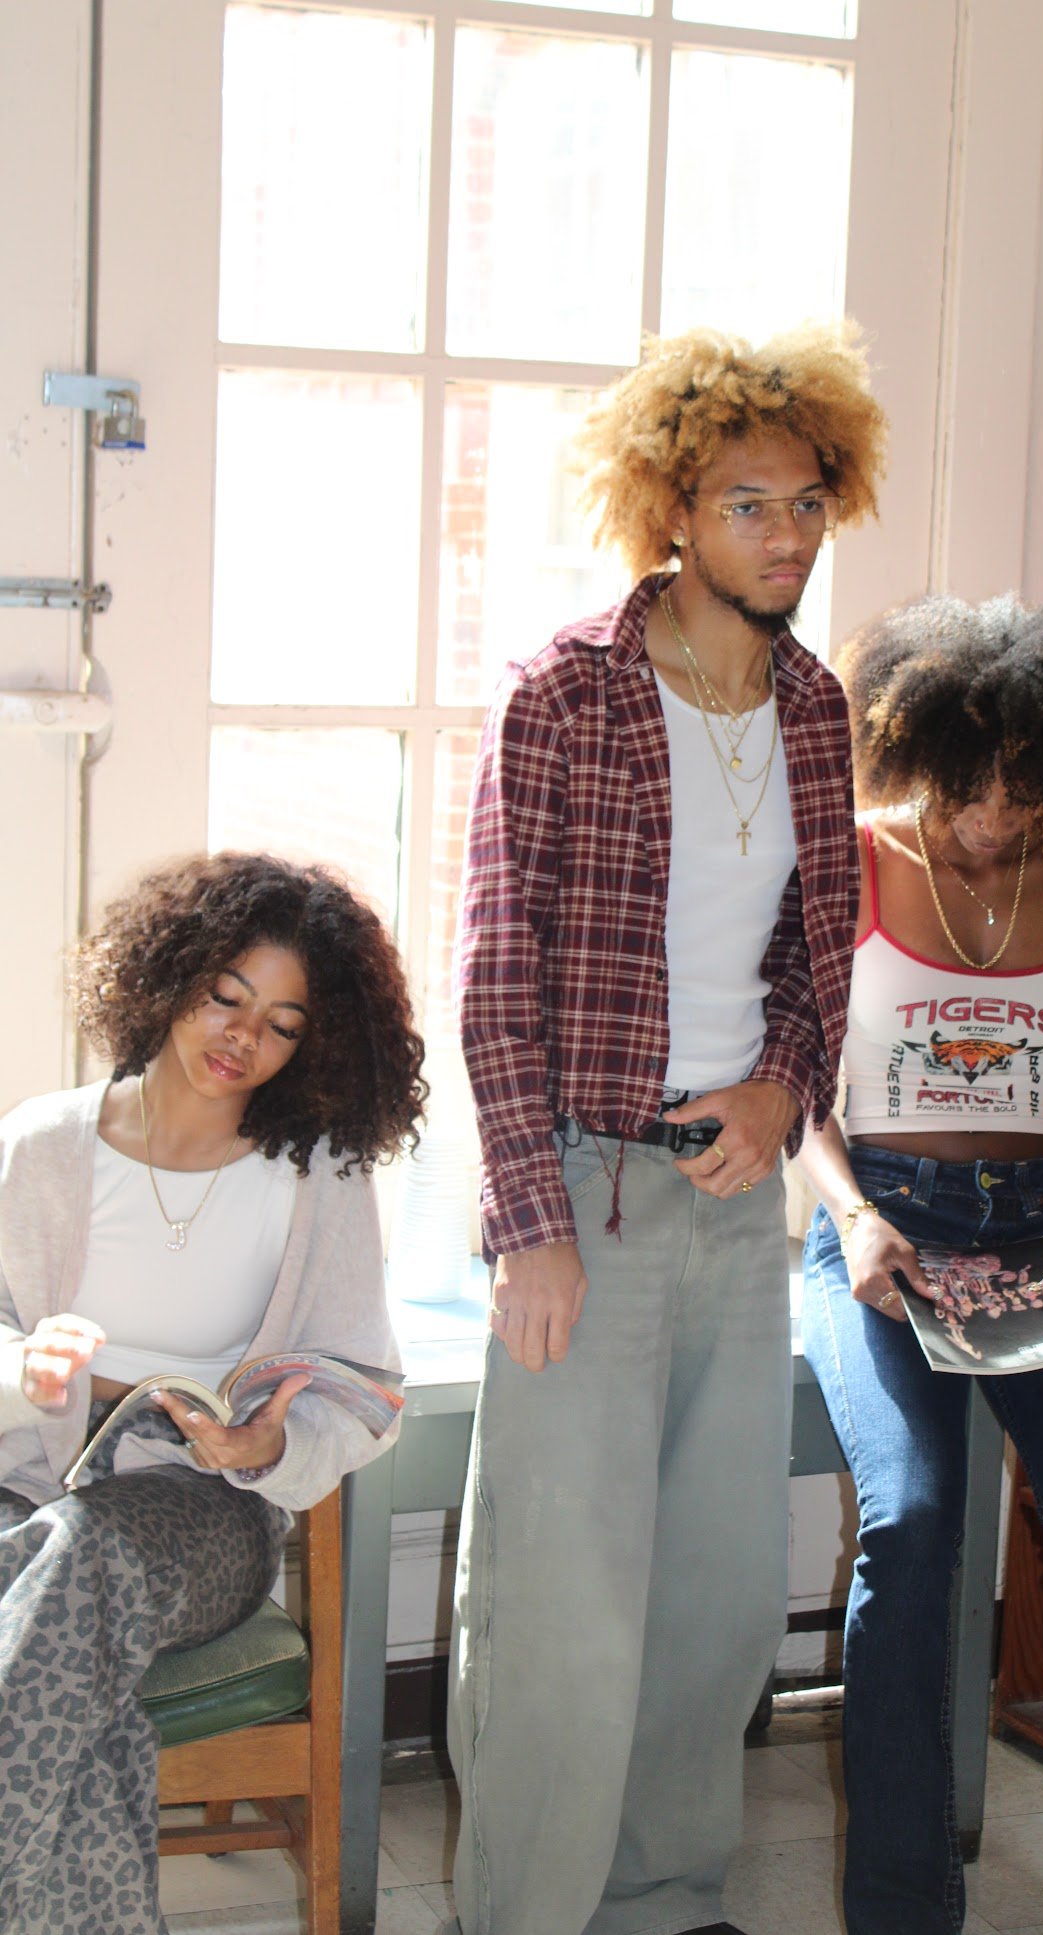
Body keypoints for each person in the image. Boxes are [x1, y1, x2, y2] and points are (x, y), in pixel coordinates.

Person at [450, 322, 887, 1935]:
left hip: (732, 1197)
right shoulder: (565, 696)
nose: (783, 535)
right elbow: (496, 973)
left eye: (804, 502)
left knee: (710, 1601)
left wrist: (783, 1089)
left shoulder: (818, 709)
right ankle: (526, 1916)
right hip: (585, 1189)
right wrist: (527, 1222)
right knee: (561, 1613)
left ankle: (665, 1904)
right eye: (745, 502)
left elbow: (815, 950)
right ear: (675, 514)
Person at [796, 594, 1043, 1935]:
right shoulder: (843, 859)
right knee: (908, 1523)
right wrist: (850, 1217)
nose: (992, 820)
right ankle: (903, 1909)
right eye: (969, 789)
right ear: (916, 751)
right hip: (879, 1214)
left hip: (1033, 1223)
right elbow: (797, 1087)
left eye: (1028, 793)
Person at [0, 851, 426, 1935]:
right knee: (64, 1631)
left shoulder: (318, 1173)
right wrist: (26, 1368)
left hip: (200, 1511)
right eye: (223, 996)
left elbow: (365, 1388)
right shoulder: (42, 1146)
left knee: (80, 1556)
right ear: (167, 978)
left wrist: (266, 1453)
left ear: (315, 1043)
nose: (241, 1036)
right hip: (24, 1486)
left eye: (282, 1023)